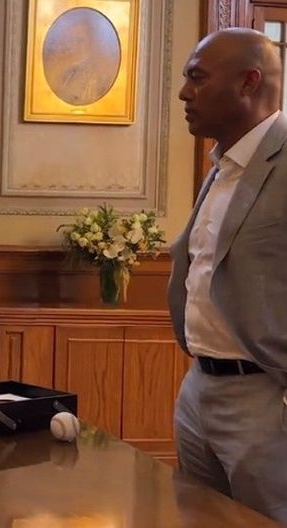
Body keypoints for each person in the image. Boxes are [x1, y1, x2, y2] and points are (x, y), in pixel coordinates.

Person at [169, 28, 287, 523]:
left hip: (265, 398)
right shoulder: (223, 165)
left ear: (248, 82)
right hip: (200, 387)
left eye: (197, 77)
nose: (184, 93)